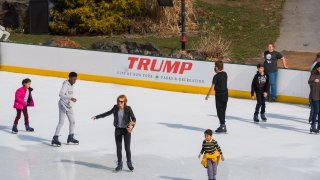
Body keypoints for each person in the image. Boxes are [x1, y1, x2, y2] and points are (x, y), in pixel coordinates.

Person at [91, 95, 136, 172]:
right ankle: (119, 164)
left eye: (121, 101)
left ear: (125, 102)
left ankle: (129, 162)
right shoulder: (115, 108)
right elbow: (107, 113)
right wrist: (97, 117)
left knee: (127, 147)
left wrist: (131, 126)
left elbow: (134, 118)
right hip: (118, 130)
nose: (119, 103)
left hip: (126, 130)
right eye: (118, 101)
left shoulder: (128, 109)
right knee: (119, 148)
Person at [51, 72, 79, 146]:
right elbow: (60, 94)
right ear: (69, 78)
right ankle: (55, 138)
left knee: (72, 122)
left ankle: (70, 137)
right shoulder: (65, 84)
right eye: (73, 79)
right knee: (61, 122)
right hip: (62, 105)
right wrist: (70, 98)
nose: (74, 81)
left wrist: (71, 100)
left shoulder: (71, 85)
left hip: (69, 106)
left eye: (75, 79)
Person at [205, 60, 228, 133]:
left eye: (215, 66)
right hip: (226, 94)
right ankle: (223, 125)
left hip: (219, 95)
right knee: (223, 110)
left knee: (219, 111)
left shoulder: (216, 76)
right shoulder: (225, 74)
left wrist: (207, 95)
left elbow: (212, 87)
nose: (214, 68)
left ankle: (223, 126)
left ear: (217, 68)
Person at [308, 64, 320, 134]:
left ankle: (319, 126)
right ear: (317, 68)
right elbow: (309, 82)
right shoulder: (313, 74)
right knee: (316, 111)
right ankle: (313, 126)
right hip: (314, 96)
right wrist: (314, 81)